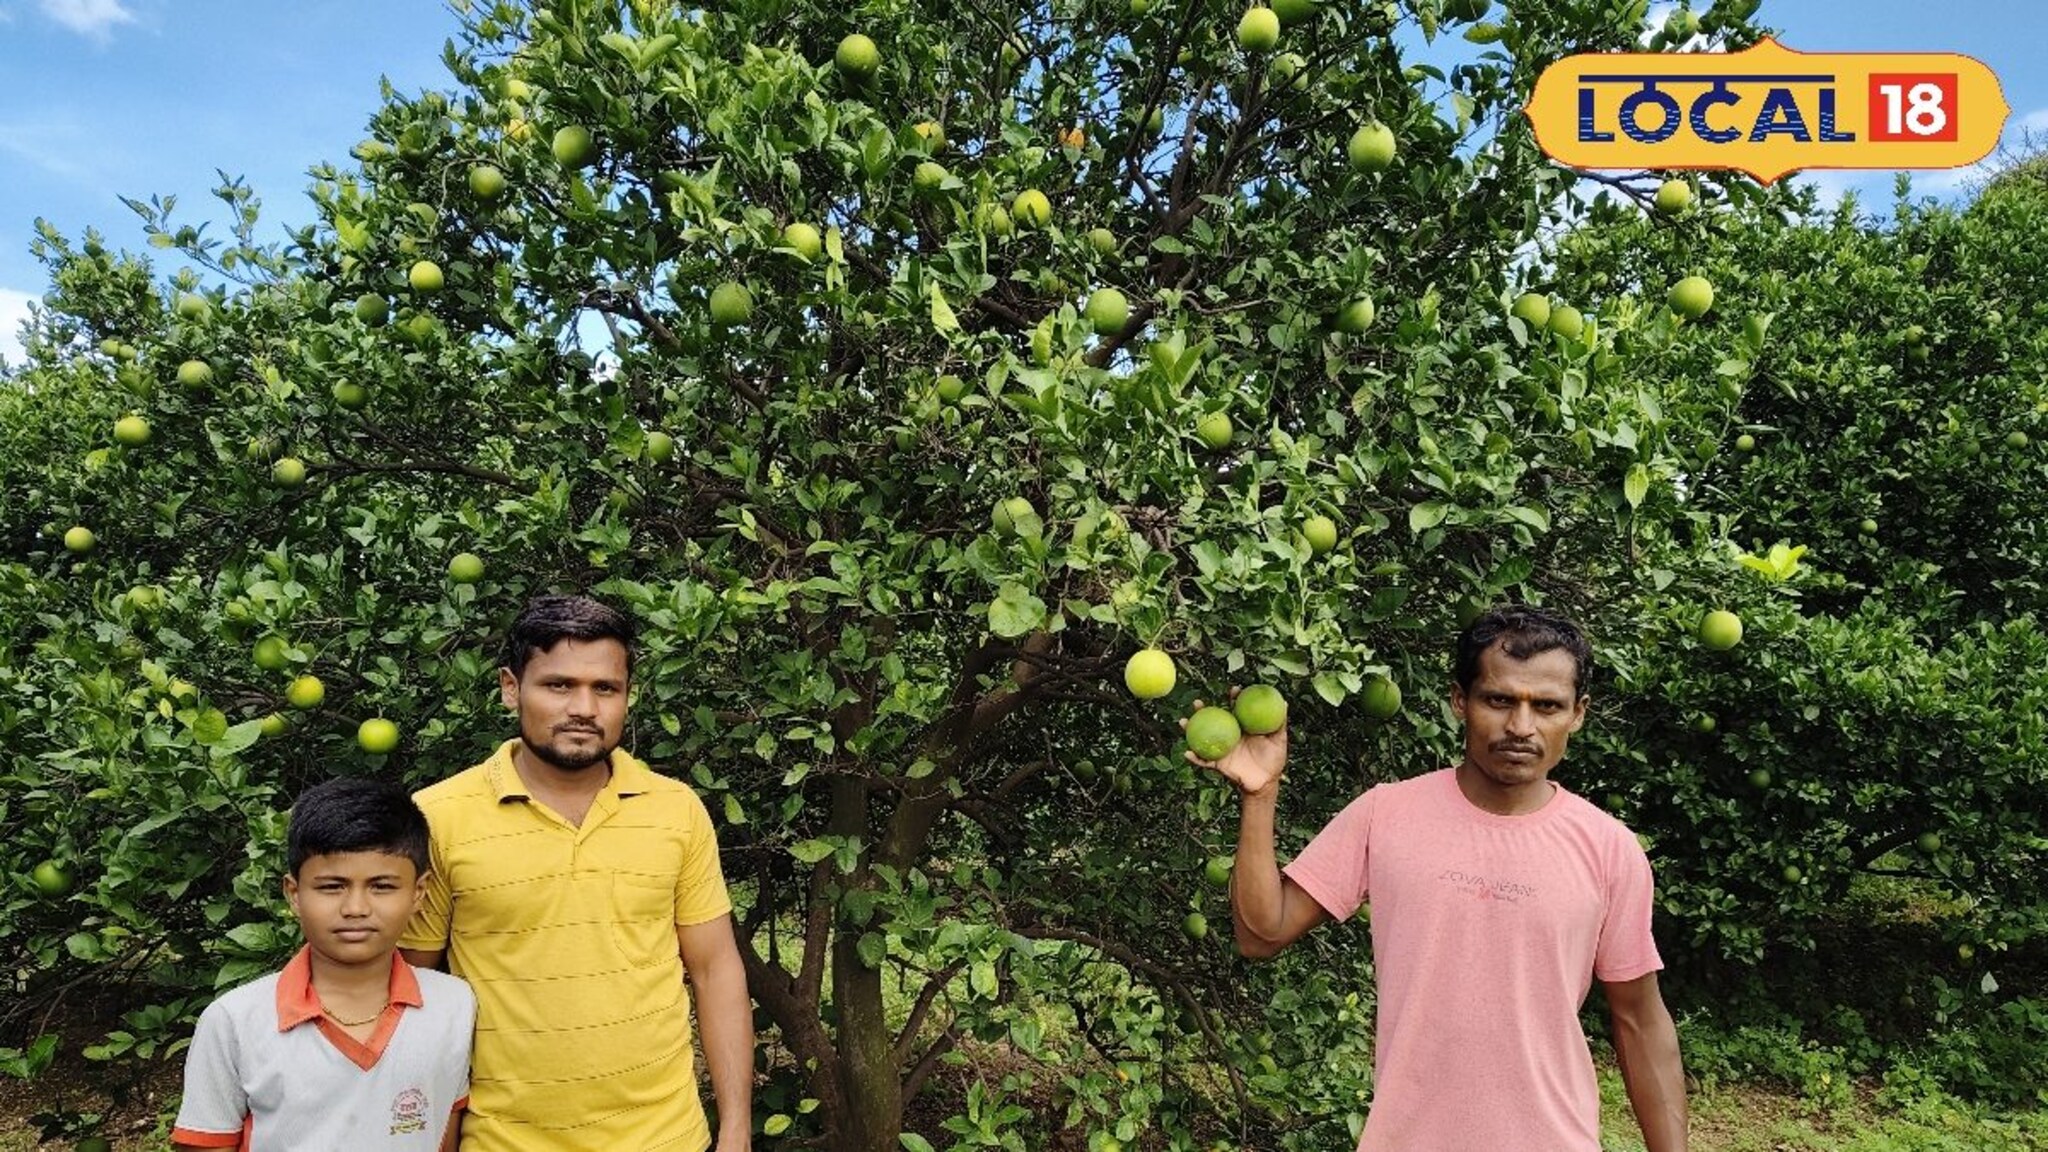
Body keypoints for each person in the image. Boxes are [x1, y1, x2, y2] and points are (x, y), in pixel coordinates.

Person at [1198, 604, 1688, 1152]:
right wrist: (1260, 795)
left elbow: (1641, 1022)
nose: (1521, 727)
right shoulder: (1385, 814)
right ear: (1461, 700)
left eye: (1546, 706)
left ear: (1577, 713)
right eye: (1499, 700)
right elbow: (1260, 932)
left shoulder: (1608, 848)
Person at [399, 594, 752, 1152]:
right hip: (504, 1140)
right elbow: (414, 990)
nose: (584, 707)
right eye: (559, 685)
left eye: (604, 688)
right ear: (511, 688)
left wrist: (736, 1128)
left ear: (627, 698)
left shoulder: (676, 809)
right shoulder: (439, 817)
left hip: (665, 1138)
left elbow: (715, 971)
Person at [173, 777, 475, 1152]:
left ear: (419, 893)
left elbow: (444, 1127)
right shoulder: (234, 1021)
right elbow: (205, 1143)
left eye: (382, 886)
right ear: (294, 894)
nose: (356, 909)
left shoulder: (454, 1005)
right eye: (332, 887)